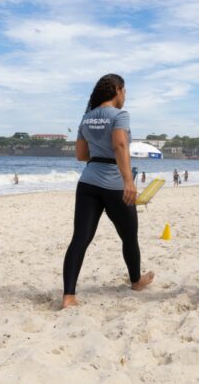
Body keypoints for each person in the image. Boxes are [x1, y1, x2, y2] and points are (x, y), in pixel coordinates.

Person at [62, 73, 154, 309]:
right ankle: (135, 281)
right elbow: (120, 144)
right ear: (116, 89)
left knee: (80, 239)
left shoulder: (87, 118)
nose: (125, 97)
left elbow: (81, 155)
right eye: (125, 92)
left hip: (88, 182)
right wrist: (129, 182)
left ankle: (69, 296)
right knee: (129, 235)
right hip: (115, 184)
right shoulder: (120, 115)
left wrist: (100, 155)